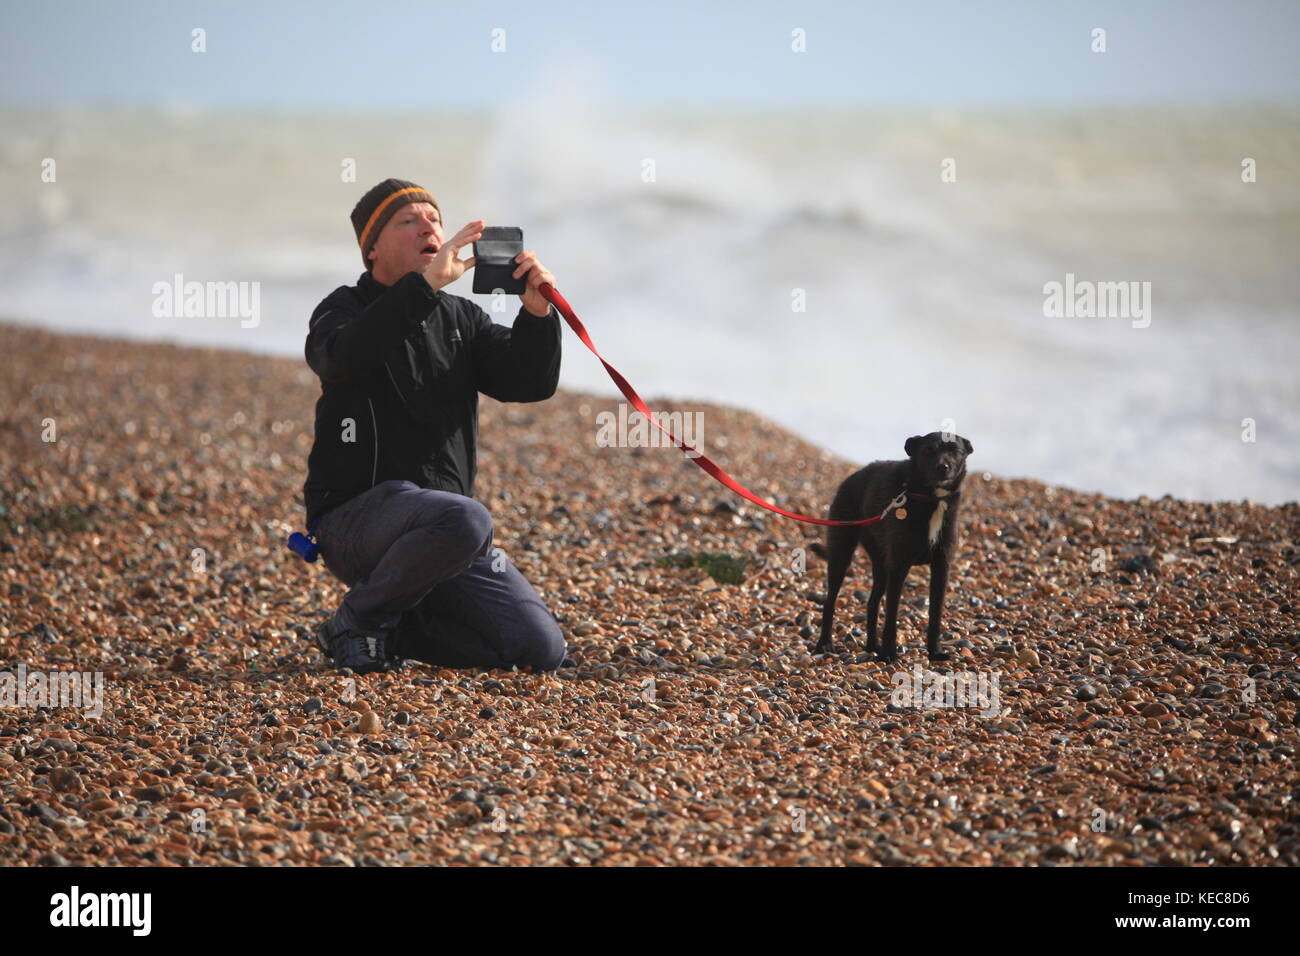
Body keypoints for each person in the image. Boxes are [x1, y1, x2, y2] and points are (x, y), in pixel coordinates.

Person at [301, 178, 567, 674]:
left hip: (447, 539)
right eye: (409, 221)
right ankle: (357, 620)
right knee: (467, 516)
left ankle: (394, 628)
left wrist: (536, 312)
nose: (430, 227)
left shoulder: (461, 317)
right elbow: (340, 359)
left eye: (436, 220)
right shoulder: (341, 309)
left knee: (540, 650)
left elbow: (527, 383)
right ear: (372, 249)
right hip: (355, 522)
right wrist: (422, 289)